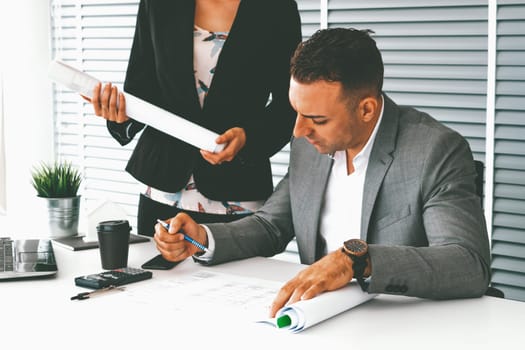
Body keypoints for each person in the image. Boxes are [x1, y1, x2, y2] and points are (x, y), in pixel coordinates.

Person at [153, 28, 491, 317]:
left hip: (400, 323)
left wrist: (357, 261)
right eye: (297, 112)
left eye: (317, 119)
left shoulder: (435, 151)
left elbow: (468, 263)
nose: (299, 131)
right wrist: (204, 237)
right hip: (318, 318)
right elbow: (272, 224)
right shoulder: (308, 145)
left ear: (366, 109)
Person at [84, 0, 302, 235]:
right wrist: (119, 115)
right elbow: (141, 90)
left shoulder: (276, 7)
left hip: (236, 188)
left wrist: (248, 138)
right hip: (162, 188)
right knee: (158, 272)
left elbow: (290, 104)